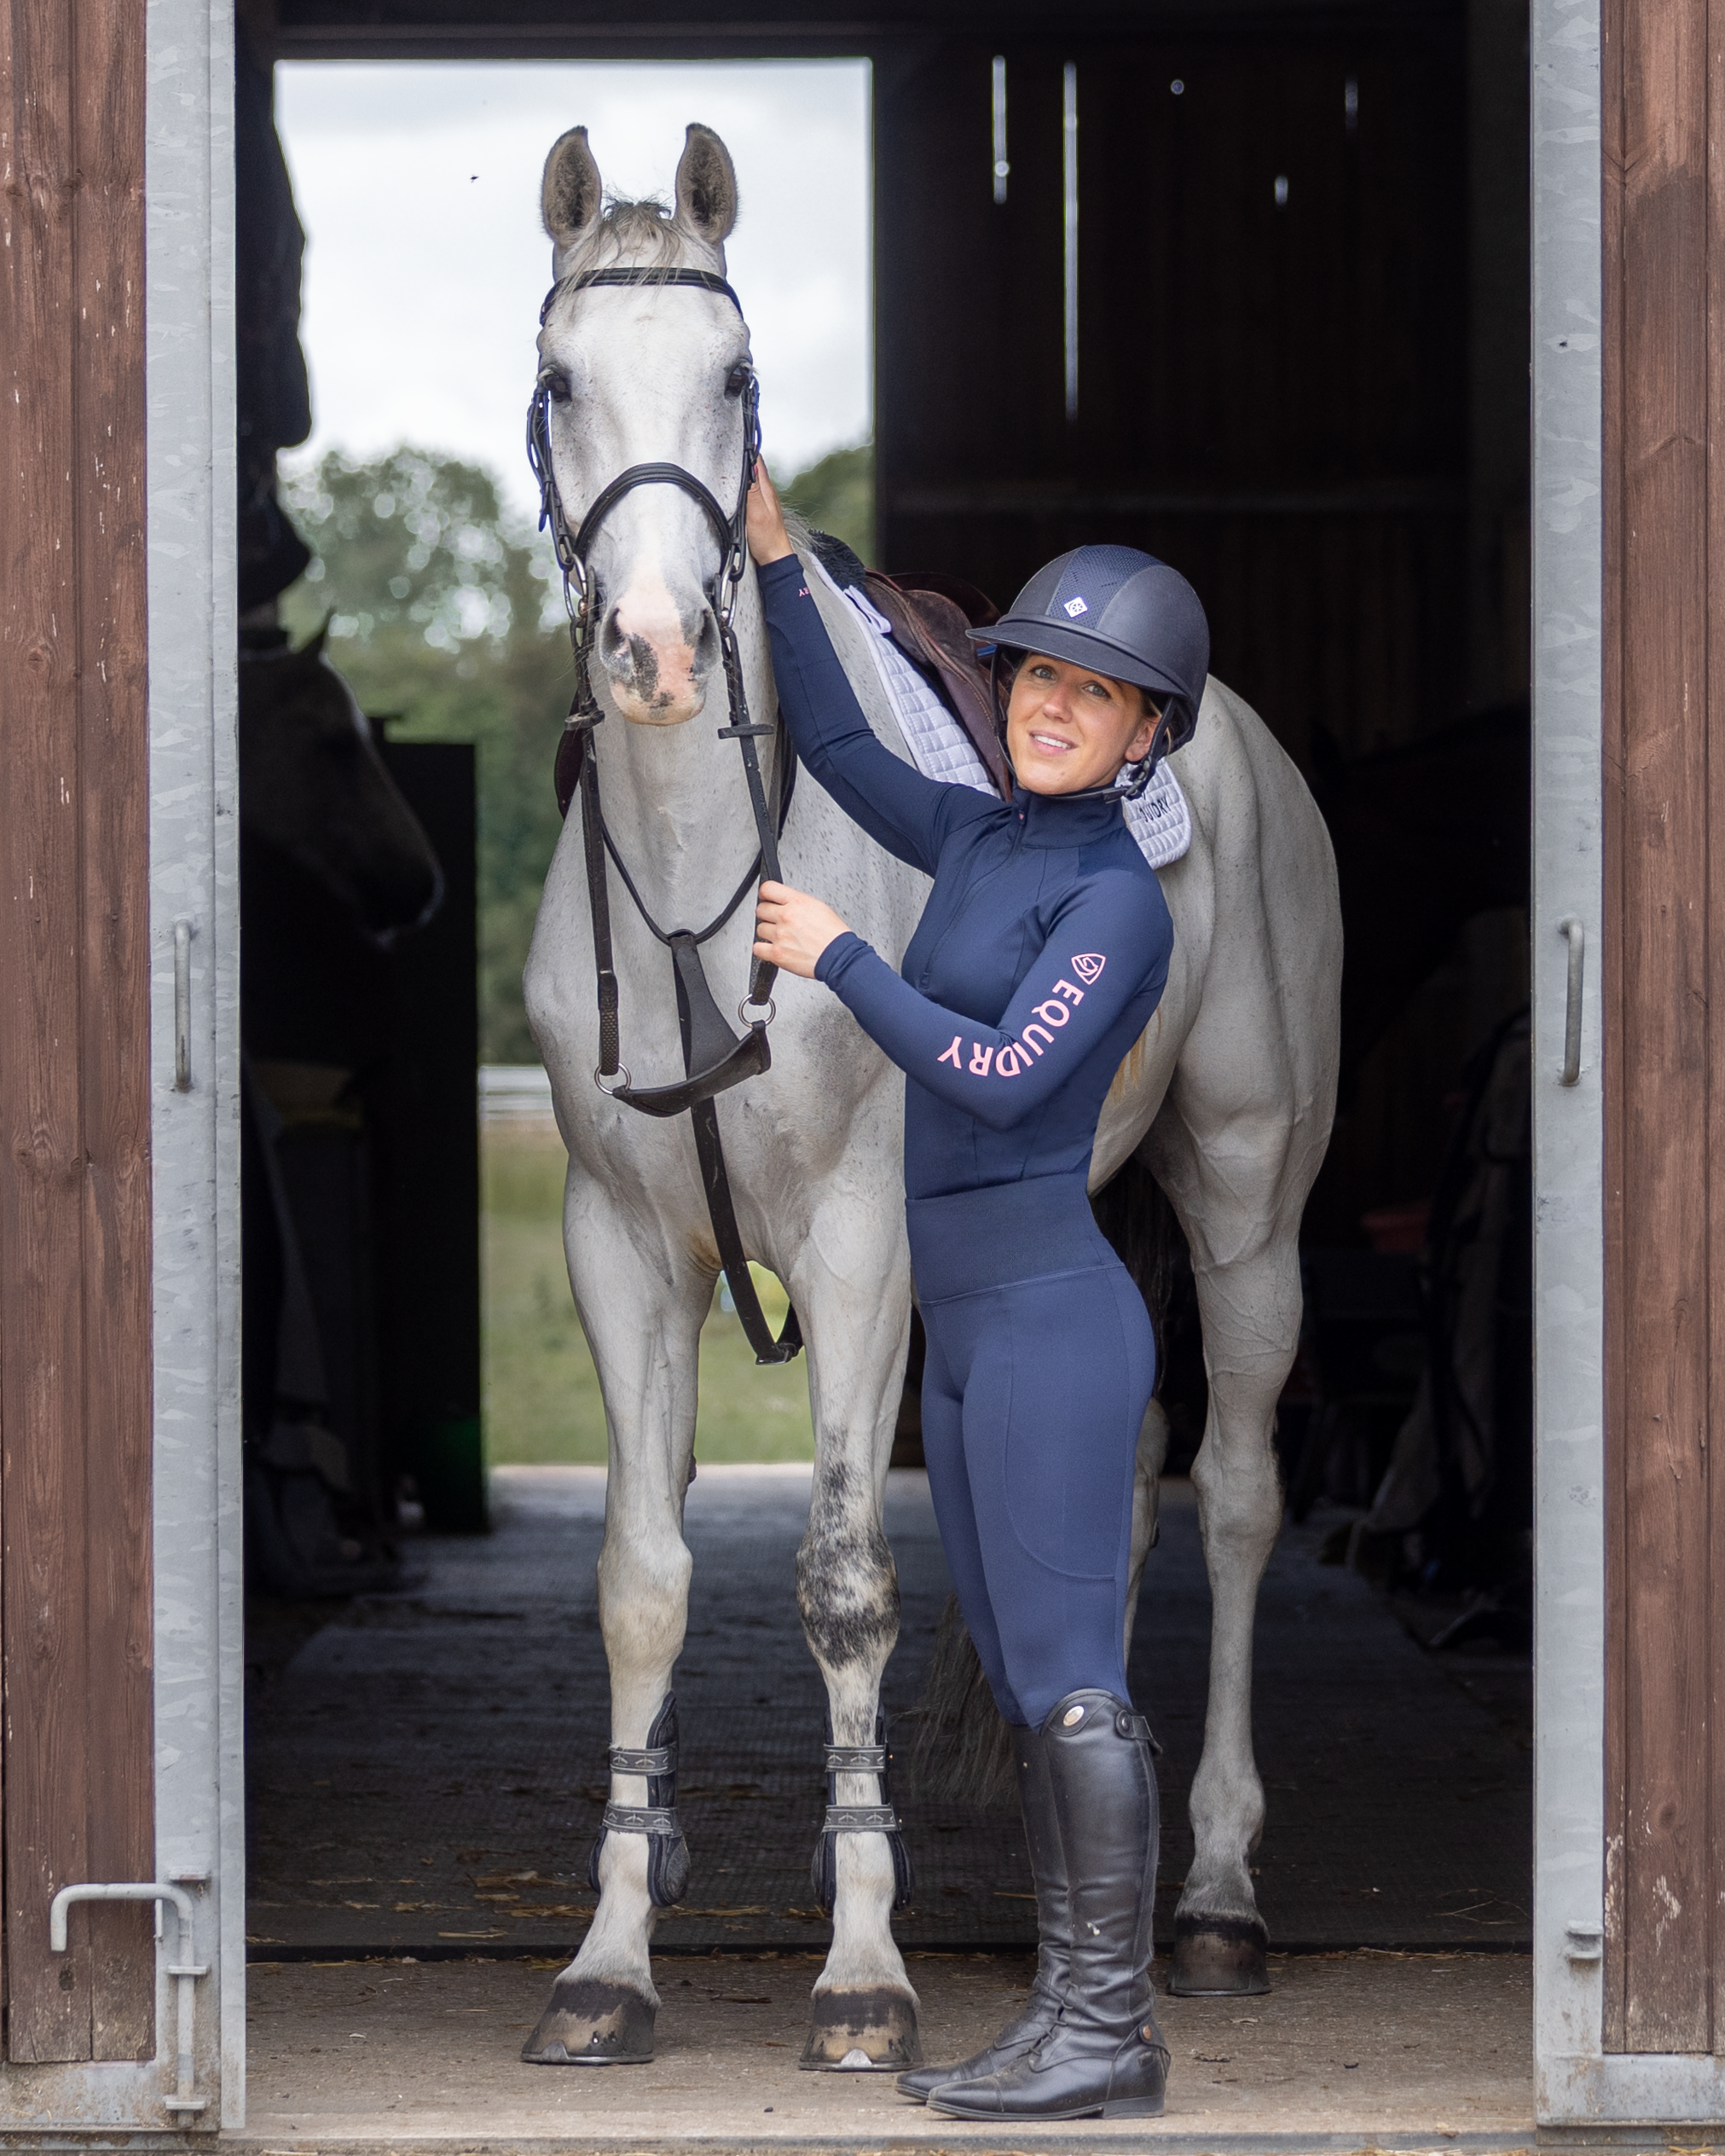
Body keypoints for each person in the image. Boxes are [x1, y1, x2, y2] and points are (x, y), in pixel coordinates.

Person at [745, 464, 1210, 2124]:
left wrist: (841, 957)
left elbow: (1009, 1074)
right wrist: (784, 564)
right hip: (968, 1342)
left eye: (1095, 692)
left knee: (1077, 1678)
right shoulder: (982, 834)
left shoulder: (1115, 904)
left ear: (1147, 733)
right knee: (1026, 1686)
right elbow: (856, 749)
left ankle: (1110, 2025)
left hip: (1049, 1333)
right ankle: (1076, 2016)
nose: (1054, 705)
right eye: (1035, 677)